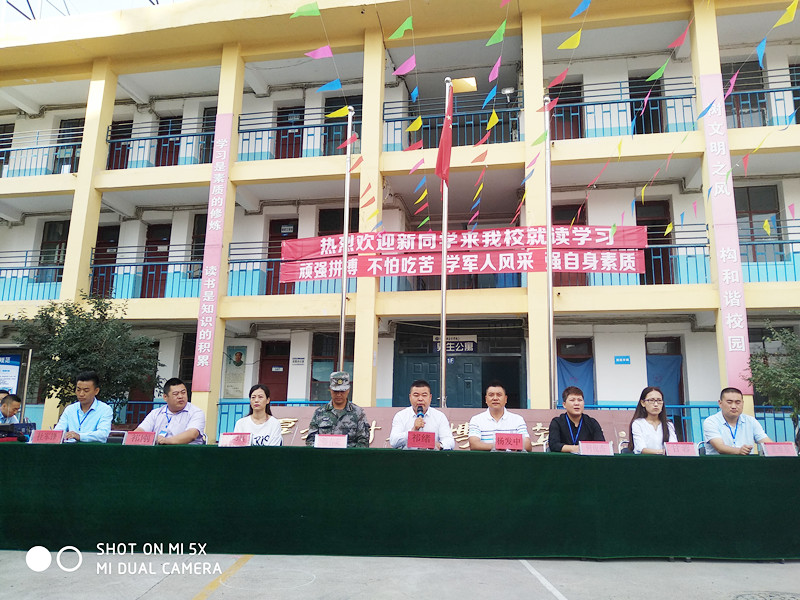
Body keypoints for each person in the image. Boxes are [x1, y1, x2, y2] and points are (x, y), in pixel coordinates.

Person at [306, 371, 369, 448]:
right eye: (335, 391)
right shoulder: (319, 413)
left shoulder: (358, 413)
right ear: (330, 389)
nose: (339, 394)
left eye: (342, 391)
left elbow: (363, 441)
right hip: (325, 454)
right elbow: (311, 440)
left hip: (349, 455)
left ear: (348, 390)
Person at [135, 377, 205, 445]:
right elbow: (140, 431)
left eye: (183, 393)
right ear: (165, 397)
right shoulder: (155, 413)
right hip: (158, 450)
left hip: (186, 451)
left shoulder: (196, 412)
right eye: (176, 394)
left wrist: (167, 441)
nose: (180, 396)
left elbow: (192, 434)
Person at [703, 387, 772, 455]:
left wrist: (776, 448)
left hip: (746, 462)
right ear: (720, 403)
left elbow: (767, 443)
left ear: (743, 403)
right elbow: (720, 447)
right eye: (729, 402)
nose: (734, 406)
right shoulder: (711, 422)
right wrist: (739, 451)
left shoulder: (751, 421)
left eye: (738, 402)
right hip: (719, 462)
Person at [389, 379, 454, 450]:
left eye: (424, 395)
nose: (420, 399)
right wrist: (413, 431)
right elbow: (393, 441)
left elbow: (450, 442)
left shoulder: (439, 416)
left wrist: (438, 445)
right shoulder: (401, 416)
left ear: (430, 398)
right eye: (416, 395)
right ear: (410, 397)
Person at [468, 381, 532, 451]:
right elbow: (474, 445)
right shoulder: (476, 420)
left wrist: (500, 445)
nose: (495, 398)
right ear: (486, 399)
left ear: (505, 399)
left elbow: (527, 445)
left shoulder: (518, 419)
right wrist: (499, 446)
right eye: (491, 395)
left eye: (499, 395)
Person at [54, 371, 113, 443]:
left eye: (86, 390)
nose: (81, 394)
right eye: (78, 390)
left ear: (96, 391)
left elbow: (102, 435)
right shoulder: (70, 409)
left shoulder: (105, 409)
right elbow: (58, 430)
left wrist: (79, 436)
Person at [548, 386, 605, 453]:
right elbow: (554, 445)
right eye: (572, 400)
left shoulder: (592, 422)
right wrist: (576, 449)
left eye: (580, 400)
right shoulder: (557, 422)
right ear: (564, 404)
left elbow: (601, 445)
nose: (577, 403)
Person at [628, 386, 677, 454]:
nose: (656, 404)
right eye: (651, 400)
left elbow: (674, 446)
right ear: (643, 403)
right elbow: (641, 449)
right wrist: (662, 452)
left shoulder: (668, 425)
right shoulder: (638, 423)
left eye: (659, 400)